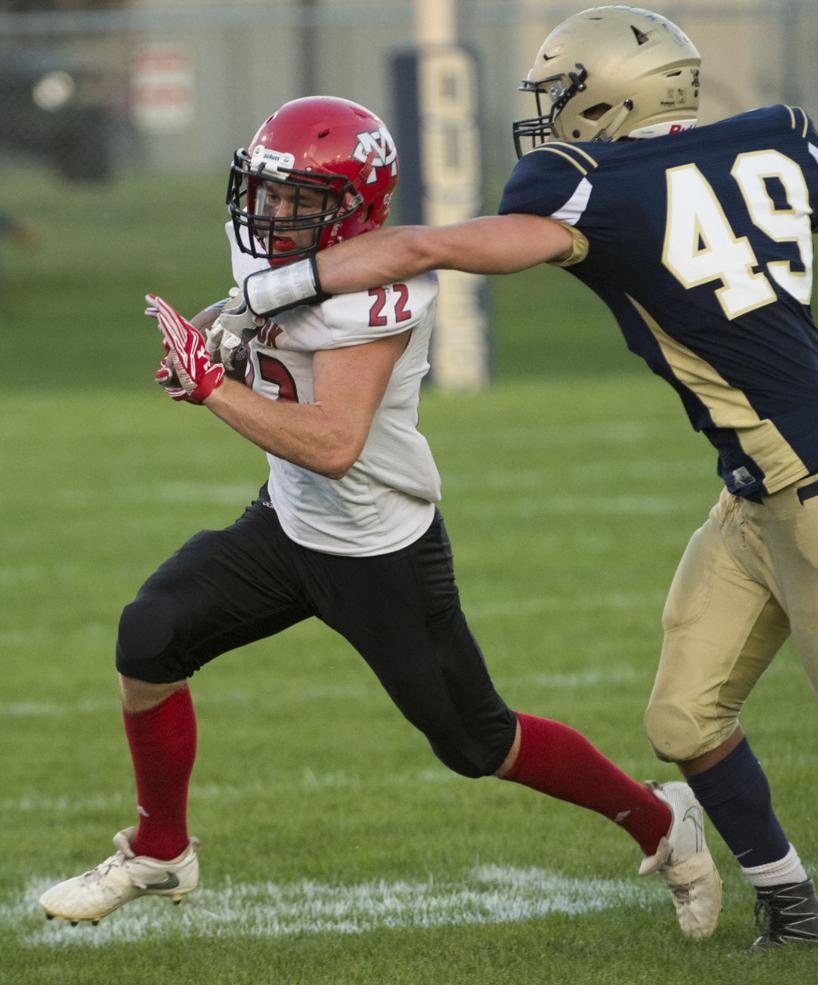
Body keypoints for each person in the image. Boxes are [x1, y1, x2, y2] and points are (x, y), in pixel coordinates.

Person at [240, 8, 818, 949]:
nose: (547, 112)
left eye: (563, 92)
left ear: (614, 95)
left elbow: (421, 246)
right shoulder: (769, 148)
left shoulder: (590, 187)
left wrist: (262, 296)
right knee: (683, 718)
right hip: (758, 496)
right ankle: (792, 910)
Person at [37, 95, 724, 939]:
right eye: (268, 191)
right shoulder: (276, 247)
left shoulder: (378, 292)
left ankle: (662, 821)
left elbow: (333, 443)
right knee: (149, 634)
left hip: (376, 547)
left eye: (301, 201)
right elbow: (257, 309)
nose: (274, 214)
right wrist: (215, 330)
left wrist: (211, 387)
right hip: (287, 524)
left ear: (359, 209)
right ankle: (160, 848)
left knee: (480, 744)